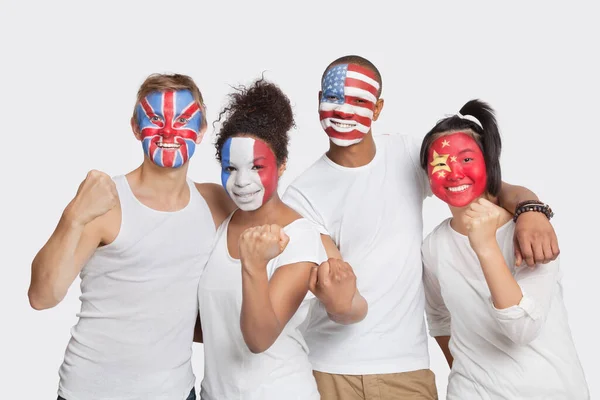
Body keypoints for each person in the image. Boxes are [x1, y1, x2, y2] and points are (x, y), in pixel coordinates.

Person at [282, 55, 561, 399]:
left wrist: (530, 209)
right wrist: (340, 302)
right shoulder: (300, 194)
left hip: (404, 370)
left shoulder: (406, 154)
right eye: (334, 98)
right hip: (327, 369)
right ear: (319, 99)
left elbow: (477, 182)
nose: (343, 111)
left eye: (358, 100)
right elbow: (335, 293)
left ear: (378, 107)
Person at [28, 73, 234, 400]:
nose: (168, 131)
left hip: (177, 392)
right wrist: (74, 216)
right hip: (90, 391)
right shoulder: (106, 202)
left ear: (202, 130)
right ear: (136, 128)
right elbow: (42, 296)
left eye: (182, 120)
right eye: (154, 119)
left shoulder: (216, 204)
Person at [196, 78, 367, 400]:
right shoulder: (220, 220)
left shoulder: (300, 237)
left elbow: (259, 339)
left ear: (282, 164)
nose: (242, 181)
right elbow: (213, 324)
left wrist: (254, 266)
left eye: (257, 167)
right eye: (230, 168)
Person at [420, 99, 589, 399]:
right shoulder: (434, 246)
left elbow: (521, 329)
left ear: (488, 163)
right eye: (441, 162)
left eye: (467, 159)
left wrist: (485, 246)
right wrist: (469, 375)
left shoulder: (529, 231)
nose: (455, 171)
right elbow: (438, 316)